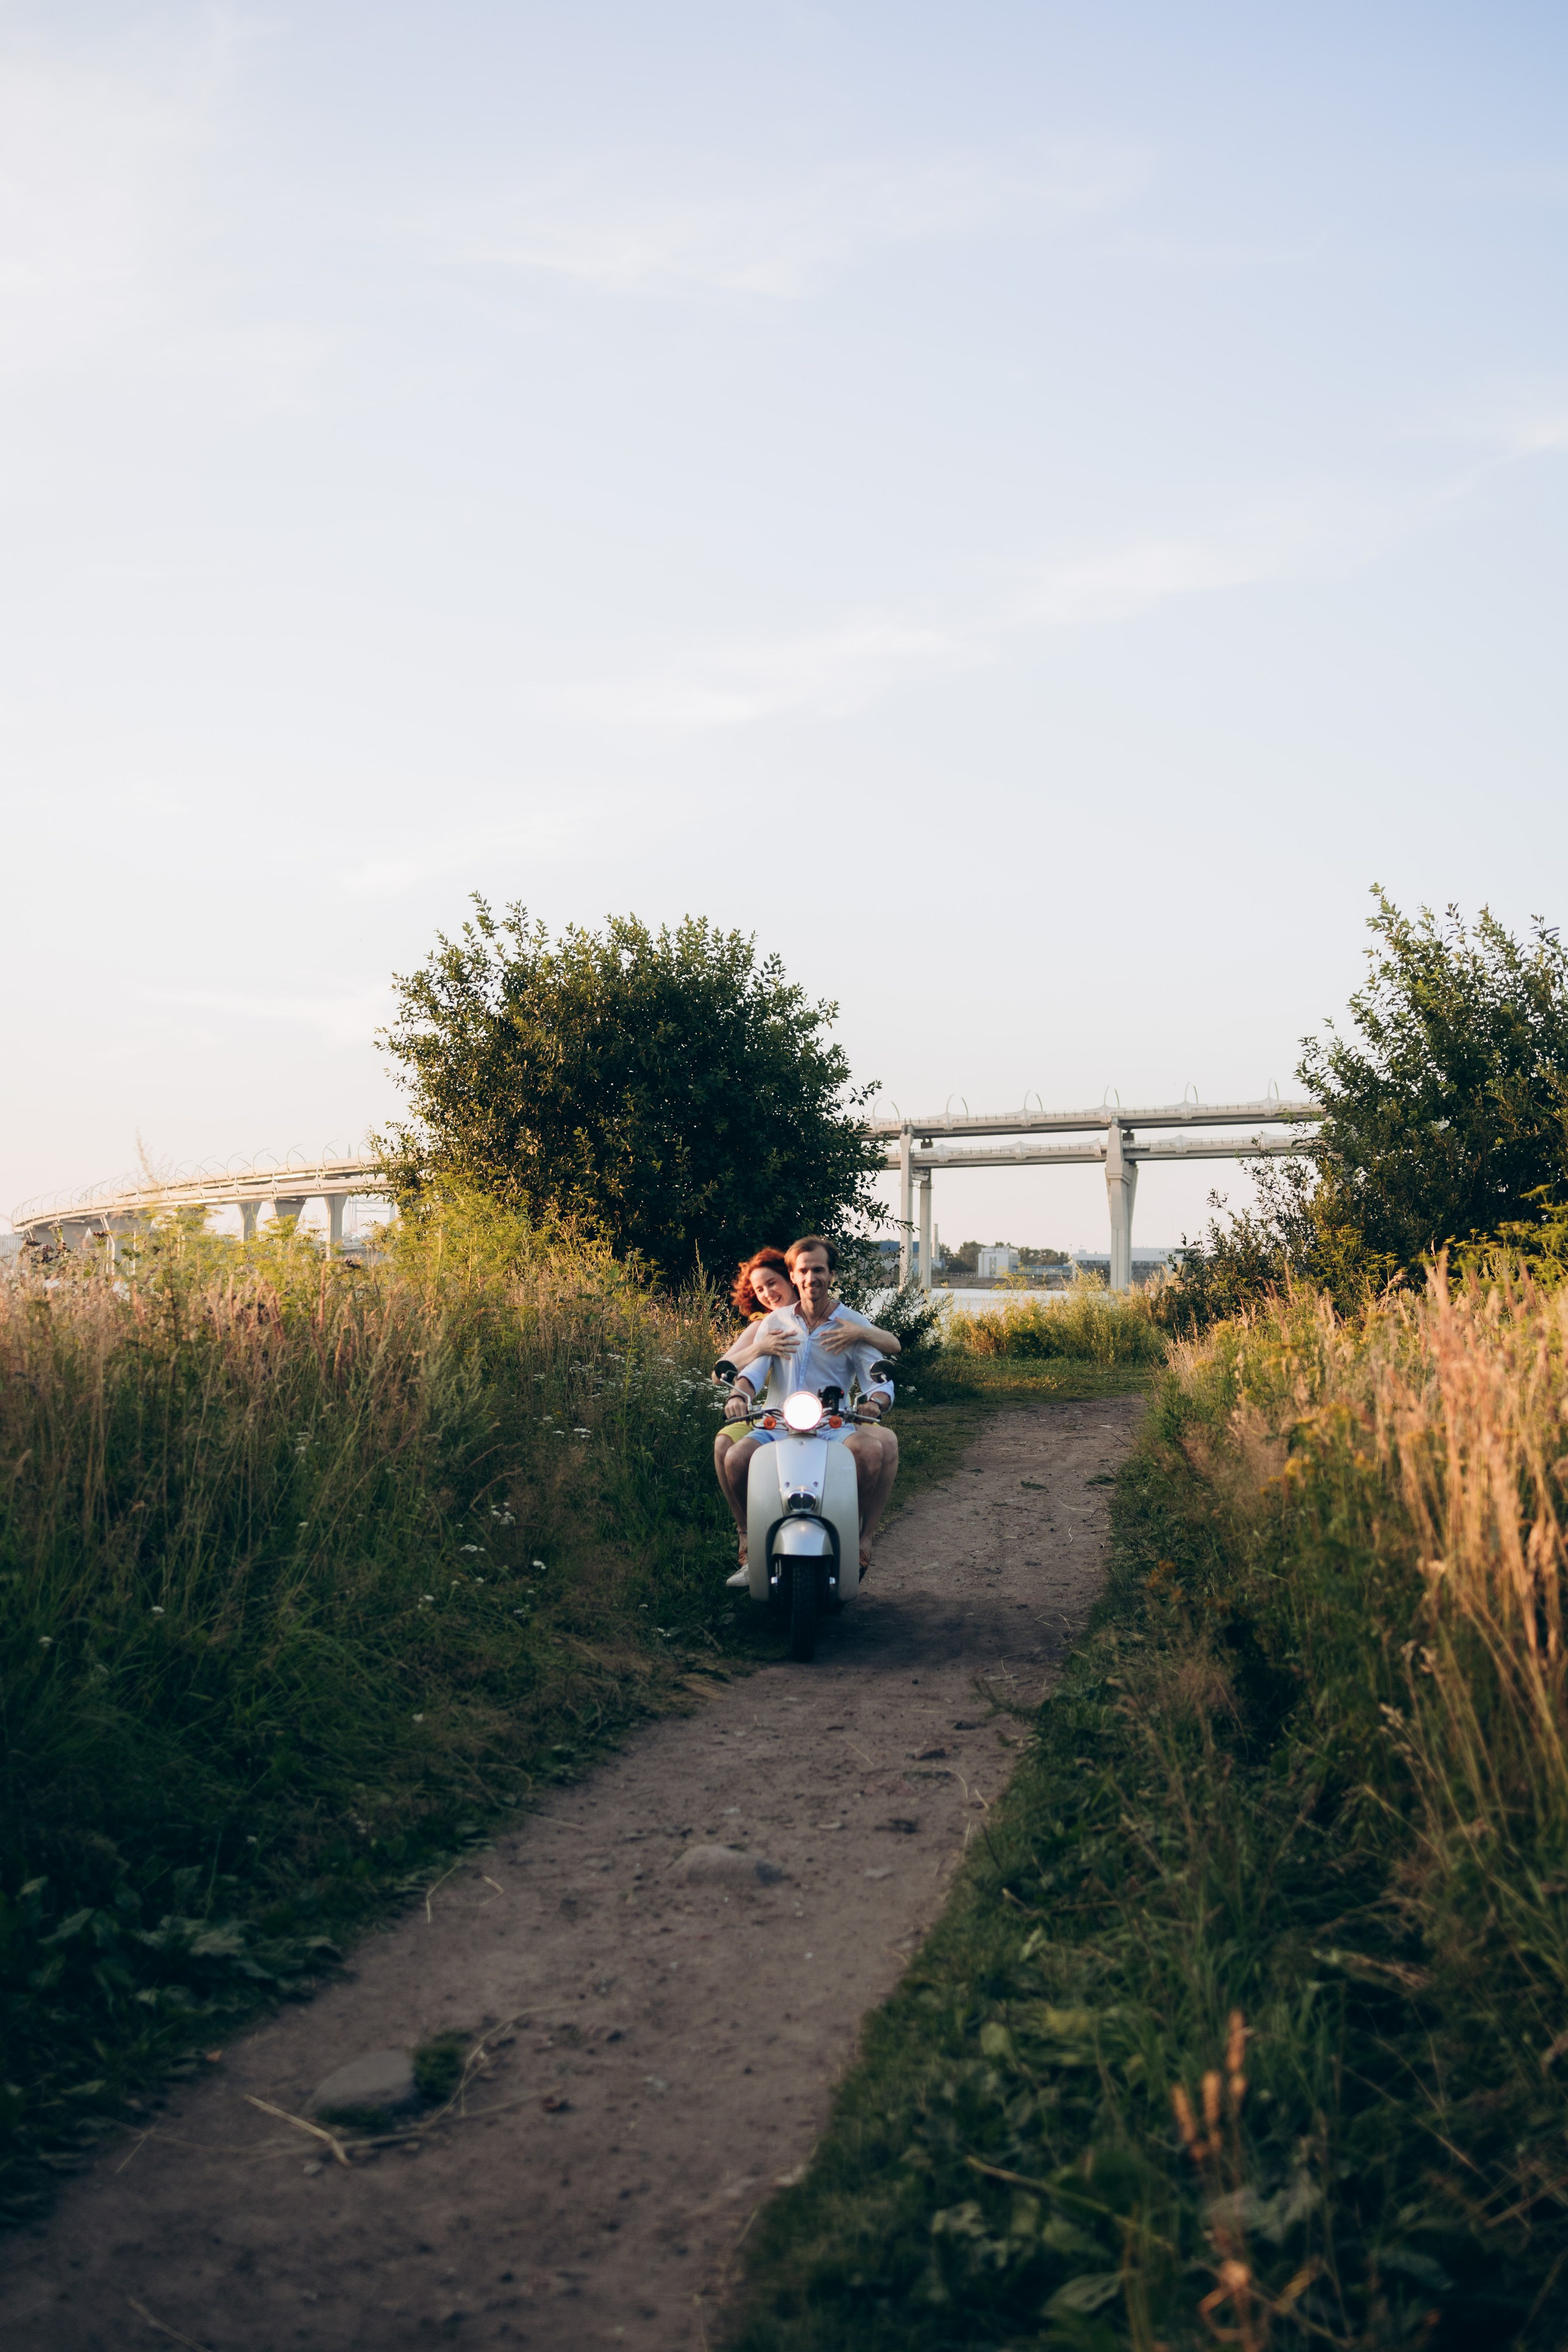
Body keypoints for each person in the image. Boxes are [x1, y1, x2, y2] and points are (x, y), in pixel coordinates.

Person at [720, 1235, 899, 1585]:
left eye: (819, 1269)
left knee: (870, 1450)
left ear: (832, 1275)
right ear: (793, 1275)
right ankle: (752, 1541)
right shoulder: (776, 1322)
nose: (811, 1278)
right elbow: (753, 1371)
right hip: (778, 1421)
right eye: (803, 1270)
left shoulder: (850, 1323)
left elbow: (879, 1378)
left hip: (833, 1423)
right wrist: (738, 1395)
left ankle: (852, 1534)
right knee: (735, 1458)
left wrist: (875, 1403)